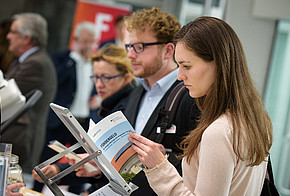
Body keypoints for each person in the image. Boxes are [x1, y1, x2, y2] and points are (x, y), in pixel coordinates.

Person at [128, 16, 273, 195]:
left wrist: (159, 168)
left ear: (218, 64)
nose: (180, 76)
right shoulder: (254, 120)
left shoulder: (219, 131)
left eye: (186, 66)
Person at [32, 44, 137, 195]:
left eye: (106, 78)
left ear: (126, 77)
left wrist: (60, 171)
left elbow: (114, 167)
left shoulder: (126, 109)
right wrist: (57, 170)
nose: (99, 84)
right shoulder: (110, 105)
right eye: (95, 77)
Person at [122, 7, 199, 195]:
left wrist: (163, 159)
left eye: (139, 47)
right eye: (129, 47)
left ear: (168, 50)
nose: (131, 55)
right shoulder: (136, 92)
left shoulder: (192, 96)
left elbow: (199, 165)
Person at [32, 21, 97, 194]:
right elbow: (56, 81)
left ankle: (74, 192)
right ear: (75, 40)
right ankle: (37, 190)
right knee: (48, 157)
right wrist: (74, 58)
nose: (88, 46)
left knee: (80, 161)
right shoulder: (62, 58)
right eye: (84, 41)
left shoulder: (94, 63)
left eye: (91, 41)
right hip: (61, 119)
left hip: (82, 120)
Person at [2, 13, 57, 172]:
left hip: (19, 145)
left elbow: (5, 98)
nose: (8, 36)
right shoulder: (26, 60)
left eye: (13, 32)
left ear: (26, 38)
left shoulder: (36, 64)